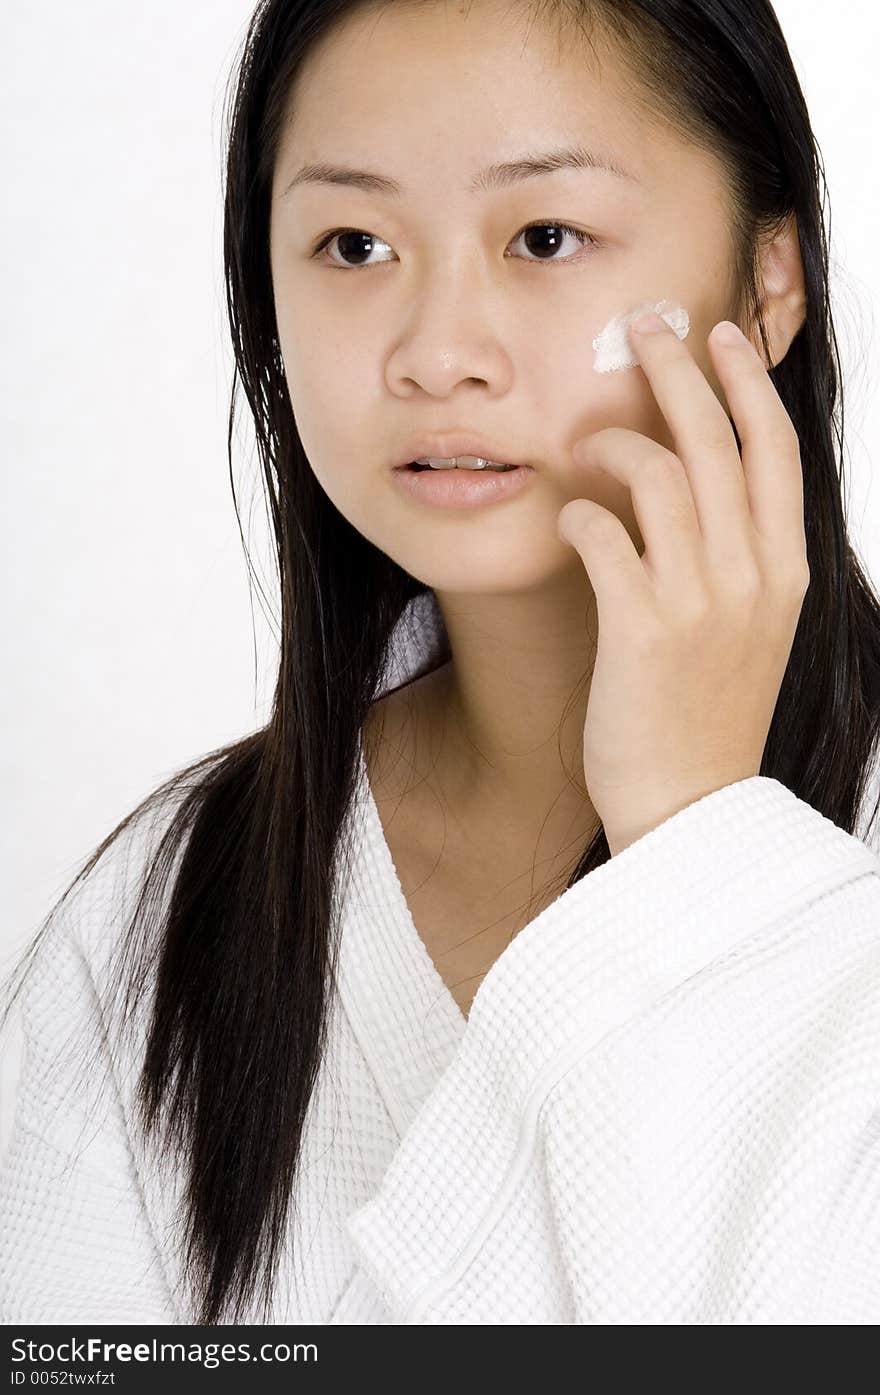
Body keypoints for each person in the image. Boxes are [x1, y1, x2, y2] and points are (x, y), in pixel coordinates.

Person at [2, 0, 879, 1326]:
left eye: (545, 237)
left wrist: (698, 845)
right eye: (354, 245)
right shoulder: (169, 914)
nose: (434, 354)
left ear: (768, 287)